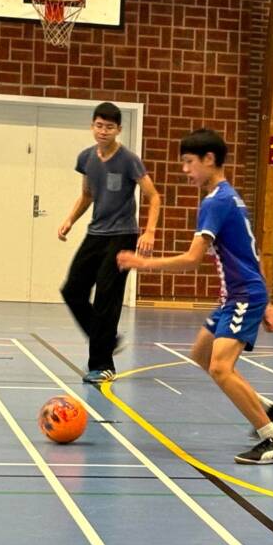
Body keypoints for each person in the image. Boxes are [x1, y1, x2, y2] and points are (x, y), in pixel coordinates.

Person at [116, 129, 273, 465]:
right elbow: (251, 252)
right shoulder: (229, 197)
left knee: (221, 368)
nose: (185, 170)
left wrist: (144, 263)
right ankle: (265, 409)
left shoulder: (216, 202)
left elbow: (192, 259)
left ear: (209, 160)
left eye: (189, 162)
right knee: (201, 353)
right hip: (236, 295)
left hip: (243, 295)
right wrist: (268, 302)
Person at [60, 102, 162, 384]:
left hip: (123, 234)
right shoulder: (86, 158)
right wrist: (70, 219)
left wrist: (149, 232)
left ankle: (103, 365)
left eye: (109, 127)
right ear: (92, 126)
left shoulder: (129, 160)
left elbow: (154, 196)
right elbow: (87, 195)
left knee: (107, 296)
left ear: (119, 129)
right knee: (72, 290)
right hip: (96, 233)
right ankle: (107, 339)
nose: (103, 131)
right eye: (99, 125)